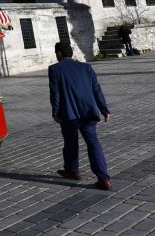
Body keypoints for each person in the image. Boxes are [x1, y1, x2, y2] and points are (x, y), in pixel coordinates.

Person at [48, 42, 112, 191]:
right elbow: (96, 89)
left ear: (59, 54)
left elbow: (55, 93)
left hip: (69, 114)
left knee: (70, 142)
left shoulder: (55, 69)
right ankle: (103, 177)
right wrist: (104, 109)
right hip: (89, 112)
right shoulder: (86, 67)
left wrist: (55, 112)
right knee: (93, 143)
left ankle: (73, 170)